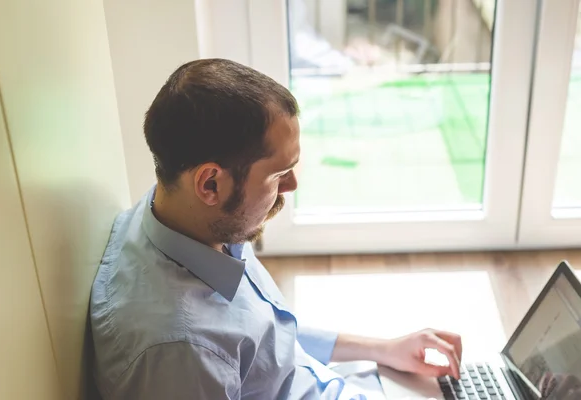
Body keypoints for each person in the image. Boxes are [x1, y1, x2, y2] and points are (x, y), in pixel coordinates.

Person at [90, 58, 462, 399]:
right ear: (210, 185)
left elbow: (267, 340)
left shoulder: (186, 218)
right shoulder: (179, 352)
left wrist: (383, 349)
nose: (292, 186)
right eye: (279, 175)